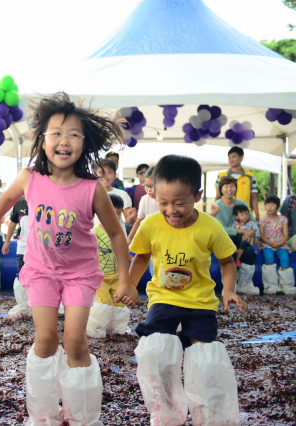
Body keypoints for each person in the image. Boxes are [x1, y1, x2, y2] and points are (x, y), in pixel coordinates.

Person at [0, 92, 131, 425]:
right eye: (56, 133)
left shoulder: (91, 188)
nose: (64, 141)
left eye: (73, 134)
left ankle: (83, 417)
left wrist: (127, 279)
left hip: (79, 274)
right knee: (45, 339)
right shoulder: (31, 177)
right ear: (43, 142)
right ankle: (43, 416)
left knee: (75, 342)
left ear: (84, 142)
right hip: (41, 270)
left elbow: (117, 234)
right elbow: (5, 199)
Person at [126, 154, 245, 426]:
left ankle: (213, 418)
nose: (171, 210)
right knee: (155, 349)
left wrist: (228, 290)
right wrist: (130, 286)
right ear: (154, 194)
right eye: (163, 202)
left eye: (180, 203)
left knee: (204, 357)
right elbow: (141, 256)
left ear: (197, 195)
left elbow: (227, 262)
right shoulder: (151, 224)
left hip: (200, 302)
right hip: (163, 299)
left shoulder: (210, 226)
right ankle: (167, 415)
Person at [87, 194, 132, 338]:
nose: (114, 217)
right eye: (109, 213)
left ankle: (117, 328)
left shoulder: (119, 231)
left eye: (118, 214)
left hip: (116, 274)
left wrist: (129, 256)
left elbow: (122, 250)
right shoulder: (94, 233)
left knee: (119, 301)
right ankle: (98, 327)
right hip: (100, 276)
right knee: (104, 302)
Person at [211, 176, 259, 295]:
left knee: (249, 252)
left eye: (232, 186)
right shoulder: (216, 206)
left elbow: (253, 222)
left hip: (241, 240)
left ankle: (245, 285)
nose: (229, 189)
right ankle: (229, 288)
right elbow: (220, 228)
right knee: (229, 253)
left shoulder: (241, 203)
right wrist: (242, 231)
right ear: (221, 189)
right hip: (225, 239)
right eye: (226, 186)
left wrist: (251, 232)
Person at [259, 195, 296, 295]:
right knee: (268, 258)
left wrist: (280, 243)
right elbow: (262, 236)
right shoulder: (263, 220)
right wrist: (270, 243)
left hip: (281, 243)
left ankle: (287, 286)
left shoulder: (283, 219)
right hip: (267, 244)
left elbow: (285, 235)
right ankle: (271, 286)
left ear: (278, 206)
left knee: (285, 259)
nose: (269, 207)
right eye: (267, 205)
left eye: (272, 205)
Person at [2, 196, 31, 319]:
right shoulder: (20, 203)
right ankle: (23, 306)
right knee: (21, 275)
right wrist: (7, 241)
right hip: (23, 247)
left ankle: (40, 306)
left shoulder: (46, 199)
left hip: (42, 248)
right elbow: (13, 222)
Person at [215, 146, 260, 220]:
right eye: (229, 157)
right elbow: (218, 196)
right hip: (226, 214)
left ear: (241, 157)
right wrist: (216, 212)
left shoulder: (250, 176)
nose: (231, 159)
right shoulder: (221, 176)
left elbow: (254, 197)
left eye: (234, 156)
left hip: (245, 215)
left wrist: (257, 214)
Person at [94, 159, 137, 234]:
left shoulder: (122, 195)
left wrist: (131, 217)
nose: (105, 175)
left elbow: (128, 220)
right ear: (95, 174)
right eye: (101, 172)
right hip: (95, 238)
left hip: (117, 237)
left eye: (109, 172)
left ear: (114, 175)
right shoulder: (89, 194)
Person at [127, 166, 157, 245]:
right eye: (146, 186)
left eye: (152, 186)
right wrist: (129, 239)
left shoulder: (169, 200)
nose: (148, 190)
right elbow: (138, 222)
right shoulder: (145, 199)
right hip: (150, 241)